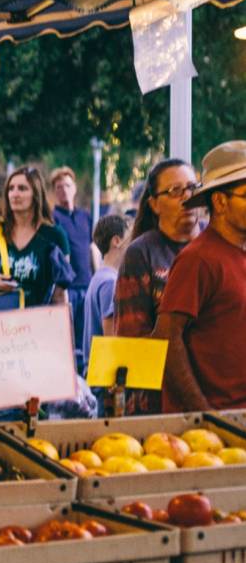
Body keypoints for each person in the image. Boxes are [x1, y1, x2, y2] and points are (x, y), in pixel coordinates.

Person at [155, 141, 246, 412]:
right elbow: (167, 337)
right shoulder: (198, 258)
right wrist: (204, 413)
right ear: (219, 201)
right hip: (212, 430)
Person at [113, 158, 199, 414]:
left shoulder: (212, 246)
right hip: (158, 401)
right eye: (175, 191)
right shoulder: (141, 254)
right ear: (154, 204)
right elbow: (132, 341)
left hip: (216, 388)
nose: (187, 197)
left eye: (193, 188)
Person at [0, 166, 71, 307]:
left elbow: (60, 294)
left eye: (22, 188)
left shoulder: (55, 236)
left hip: (37, 322)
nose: (14, 194)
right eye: (10, 189)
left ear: (36, 194)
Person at [50, 167, 100, 359]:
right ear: (54, 191)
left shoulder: (85, 216)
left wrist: (96, 277)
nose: (64, 190)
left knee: (85, 336)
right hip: (66, 288)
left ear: (75, 188)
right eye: (59, 187)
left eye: (67, 185)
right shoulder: (53, 218)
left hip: (86, 284)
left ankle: (84, 381)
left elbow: (92, 248)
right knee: (67, 338)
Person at [82, 214, 128, 375]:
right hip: (103, 377)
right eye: (129, 237)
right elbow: (111, 339)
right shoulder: (110, 282)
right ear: (117, 240)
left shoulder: (100, 277)